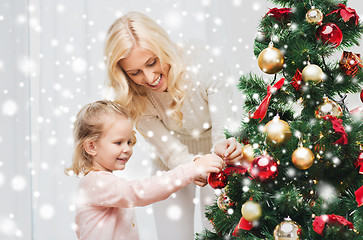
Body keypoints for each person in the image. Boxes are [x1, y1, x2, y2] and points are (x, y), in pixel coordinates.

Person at [104, 12, 243, 239]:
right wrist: (190, 165)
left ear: (164, 48)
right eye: (135, 72)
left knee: (219, 233)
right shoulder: (132, 96)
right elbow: (171, 151)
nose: (149, 78)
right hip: (170, 163)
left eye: (152, 62)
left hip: (218, 157)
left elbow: (223, 130)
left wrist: (223, 149)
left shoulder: (203, 61)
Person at [65, 100, 225, 240]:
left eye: (129, 142)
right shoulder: (96, 182)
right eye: (118, 142)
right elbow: (140, 192)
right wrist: (192, 169)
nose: (127, 149)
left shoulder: (99, 183)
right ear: (91, 146)